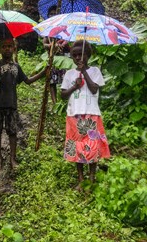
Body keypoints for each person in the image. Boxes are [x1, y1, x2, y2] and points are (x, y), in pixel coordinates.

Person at [0, 38, 47, 170]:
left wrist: (43, 73)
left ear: (14, 49)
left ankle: (12, 158)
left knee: (12, 131)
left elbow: (27, 81)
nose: (7, 49)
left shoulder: (16, 67)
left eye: (10, 46)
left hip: (11, 103)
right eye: (4, 46)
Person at [60, 40, 110, 191]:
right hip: (74, 114)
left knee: (93, 146)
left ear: (88, 55)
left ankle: (92, 178)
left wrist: (85, 73)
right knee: (77, 147)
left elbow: (95, 89)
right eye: (74, 55)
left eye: (80, 55)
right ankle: (81, 179)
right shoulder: (69, 74)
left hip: (91, 114)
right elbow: (63, 95)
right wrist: (74, 86)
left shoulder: (95, 71)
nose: (77, 58)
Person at [42, 5, 70, 105]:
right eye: (51, 14)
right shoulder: (48, 28)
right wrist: (52, 45)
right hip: (53, 57)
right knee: (52, 80)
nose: (53, 15)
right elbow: (44, 43)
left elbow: (69, 39)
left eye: (55, 13)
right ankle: (55, 103)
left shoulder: (65, 26)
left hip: (65, 57)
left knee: (65, 79)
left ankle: (65, 100)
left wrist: (63, 44)